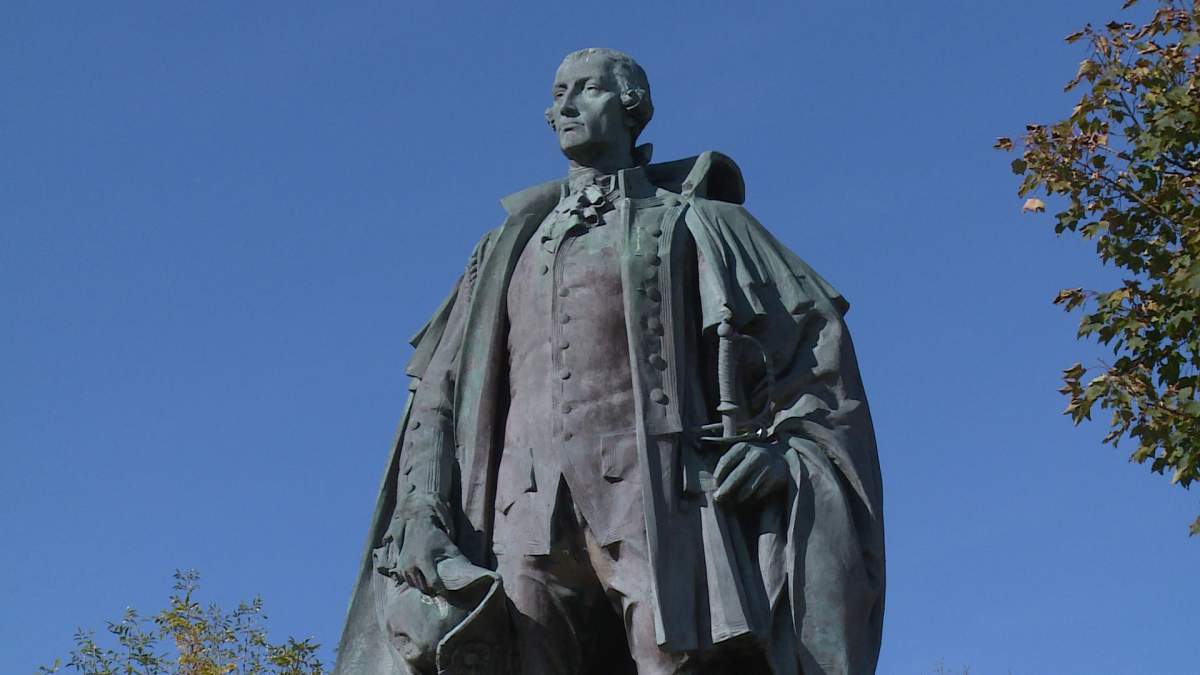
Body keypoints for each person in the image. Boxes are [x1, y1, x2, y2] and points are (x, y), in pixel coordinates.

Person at [335, 48, 885, 675]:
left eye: (585, 90)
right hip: (523, 509)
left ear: (632, 107)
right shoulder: (500, 249)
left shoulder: (706, 224)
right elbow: (438, 390)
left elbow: (814, 359)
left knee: (674, 662)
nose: (561, 108)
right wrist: (420, 506)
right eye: (556, 94)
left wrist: (782, 450)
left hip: (661, 496)